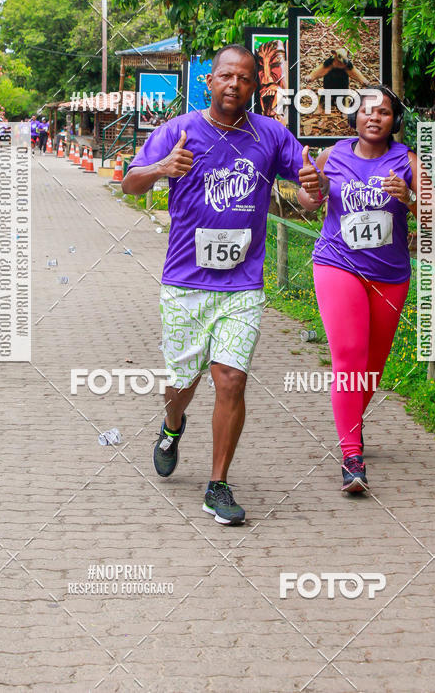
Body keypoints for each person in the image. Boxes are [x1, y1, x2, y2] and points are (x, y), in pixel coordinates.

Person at [122, 44, 323, 525]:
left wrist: (316, 188)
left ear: (256, 86)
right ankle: (172, 428)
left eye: (246, 78)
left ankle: (218, 485)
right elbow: (130, 182)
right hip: (185, 281)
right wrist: (160, 169)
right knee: (184, 380)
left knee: (230, 378)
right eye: (226, 76)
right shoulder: (179, 131)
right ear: (209, 81)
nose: (235, 84)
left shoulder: (271, 135)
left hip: (243, 284)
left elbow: (309, 192)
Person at [298, 85, 420, 494]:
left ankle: (351, 420)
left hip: (390, 274)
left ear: (395, 122)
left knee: (373, 366)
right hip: (338, 265)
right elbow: (308, 200)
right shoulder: (334, 154)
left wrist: (411, 199)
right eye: (367, 111)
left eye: (384, 112)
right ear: (354, 118)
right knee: (349, 357)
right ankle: (352, 457)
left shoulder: (407, 160)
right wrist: (310, 188)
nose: (375, 118)